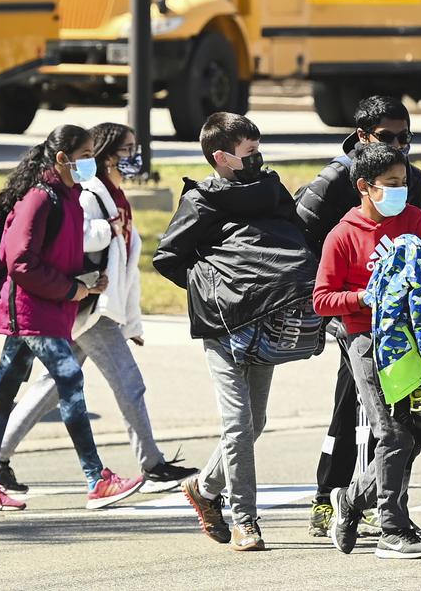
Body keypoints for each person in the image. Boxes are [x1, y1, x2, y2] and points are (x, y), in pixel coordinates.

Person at [0, 123, 198, 493]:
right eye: (127, 150)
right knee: (128, 383)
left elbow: (126, 266)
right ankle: (150, 464)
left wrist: (132, 321)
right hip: (88, 307)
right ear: (104, 155)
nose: (134, 156)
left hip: (97, 307)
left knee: (51, 386)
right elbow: (72, 240)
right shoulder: (89, 194)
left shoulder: (115, 194)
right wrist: (105, 229)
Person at [153, 113, 317, 552]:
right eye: (249, 153)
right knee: (239, 425)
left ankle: (203, 488)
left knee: (255, 421)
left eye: (259, 149)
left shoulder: (270, 188)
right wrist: (213, 289)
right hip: (223, 326)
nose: (258, 158)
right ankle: (246, 520)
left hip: (267, 317)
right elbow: (168, 257)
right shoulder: (202, 201)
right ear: (221, 158)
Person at [0, 126, 145, 512]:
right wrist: (70, 290)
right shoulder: (39, 198)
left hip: (44, 308)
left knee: (3, 393)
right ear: (62, 158)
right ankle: (97, 479)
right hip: (33, 310)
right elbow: (21, 261)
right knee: (70, 382)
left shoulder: (68, 196)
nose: (90, 161)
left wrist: (85, 283)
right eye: (83, 153)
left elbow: (55, 254)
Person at [295, 95, 421, 538]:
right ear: (362, 137)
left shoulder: (410, 180)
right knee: (355, 406)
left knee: (398, 415)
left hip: (396, 317)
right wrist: (352, 289)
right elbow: (302, 237)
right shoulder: (336, 181)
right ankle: (328, 496)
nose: (398, 146)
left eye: (404, 137)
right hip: (349, 313)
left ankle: (384, 503)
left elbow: (414, 243)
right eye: (387, 138)